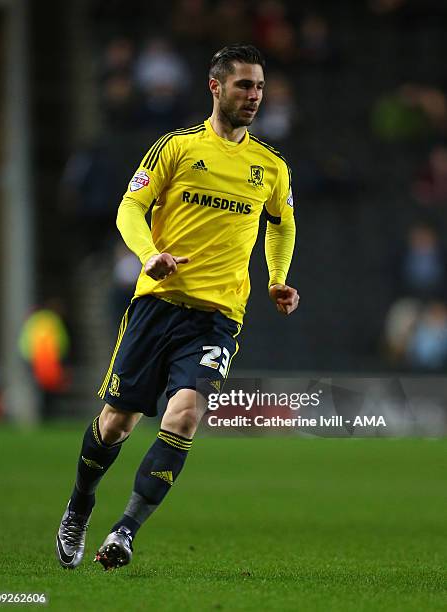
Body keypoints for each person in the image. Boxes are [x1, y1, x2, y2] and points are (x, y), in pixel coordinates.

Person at [56, 44, 299, 571]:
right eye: (243, 86)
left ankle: (124, 531)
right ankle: (80, 503)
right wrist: (150, 255)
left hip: (218, 317)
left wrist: (277, 279)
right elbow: (130, 206)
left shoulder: (270, 165)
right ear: (216, 87)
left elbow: (282, 223)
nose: (254, 96)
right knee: (117, 424)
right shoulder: (176, 148)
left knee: (185, 414)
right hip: (157, 304)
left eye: (259, 86)